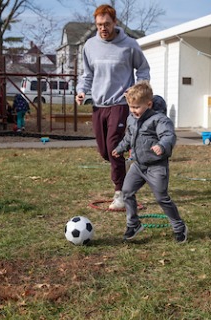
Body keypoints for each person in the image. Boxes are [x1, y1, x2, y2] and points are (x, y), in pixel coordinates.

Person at [76, 4, 150, 210]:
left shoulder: (129, 45)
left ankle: (121, 194)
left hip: (120, 103)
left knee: (114, 147)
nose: (103, 28)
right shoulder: (89, 46)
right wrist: (82, 90)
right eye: (99, 25)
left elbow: (143, 69)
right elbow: (87, 74)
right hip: (99, 105)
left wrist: (136, 91)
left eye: (107, 24)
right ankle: (125, 172)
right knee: (104, 151)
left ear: (115, 23)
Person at [112, 81, 188, 243]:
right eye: (131, 107)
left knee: (162, 198)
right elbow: (128, 137)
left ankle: (179, 226)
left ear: (148, 104)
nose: (133, 111)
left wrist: (162, 145)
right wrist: (120, 148)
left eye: (137, 107)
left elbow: (169, 136)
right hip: (138, 165)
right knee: (126, 192)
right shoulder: (131, 118)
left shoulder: (159, 120)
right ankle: (133, 224)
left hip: (156, 167)